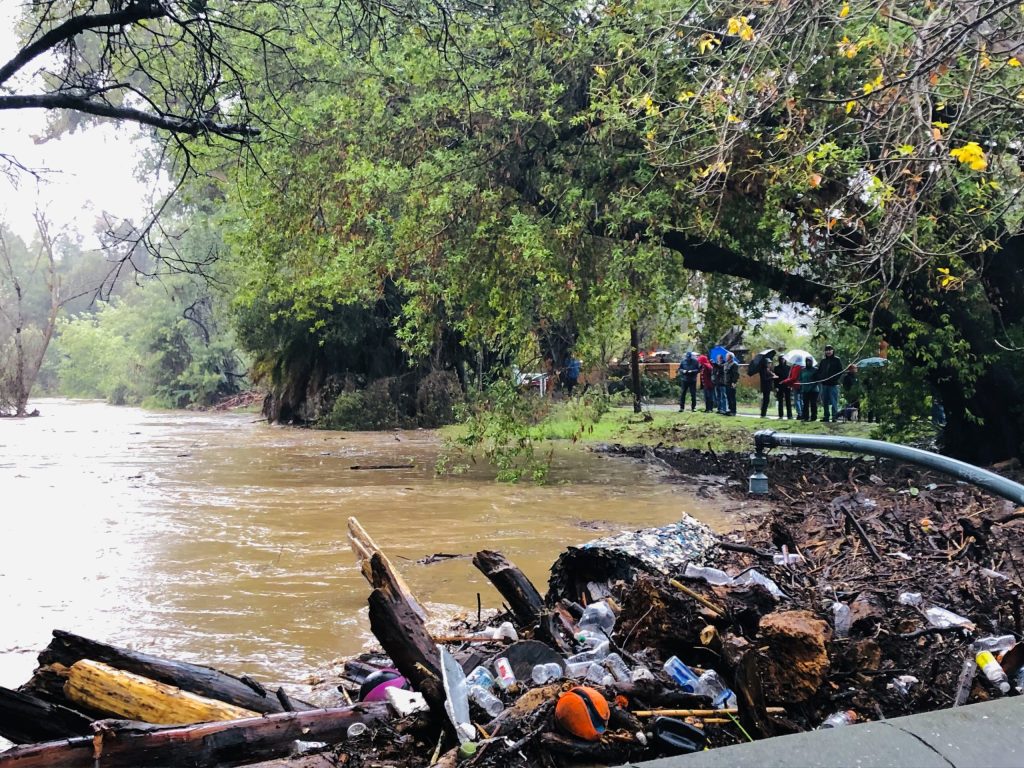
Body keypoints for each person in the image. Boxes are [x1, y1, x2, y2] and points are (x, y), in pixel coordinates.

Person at [817, 344, 844, 423]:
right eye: (827, 350)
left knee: (833, 401)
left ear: (833, 351)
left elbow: (840, 371)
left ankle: (834, 417)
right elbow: (819, 371)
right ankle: (826, 416)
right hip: (824, 384)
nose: (828, 351)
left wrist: (834, 379)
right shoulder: (823, 361)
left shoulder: (837, 360)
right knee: (825, 401)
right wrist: (821, 378)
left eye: (830, 350)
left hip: (833, 385)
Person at [799, 355, 820, 422]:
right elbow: (800, 379)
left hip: (813, 390)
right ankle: (805, 417)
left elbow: (817, 380)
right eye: (807, 361)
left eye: (809, 361)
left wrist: (812, 386)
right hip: (805, 389)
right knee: (805, 404)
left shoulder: (815, 370)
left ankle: (813, 417)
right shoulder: (803, 370)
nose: (808, 362)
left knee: (813, 404)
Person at [757, 350, 777, 418]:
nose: (770, 364)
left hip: (768, 387)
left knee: (766, 400)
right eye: (768, 363)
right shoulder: (763, 370)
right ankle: (763, 414)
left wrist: (772, 375)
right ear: (766, 363)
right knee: (766, 400)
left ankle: (763, 414)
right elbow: (765, 379)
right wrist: (772, 377)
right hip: (765, 387)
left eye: (770, 363)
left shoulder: (768, 370)